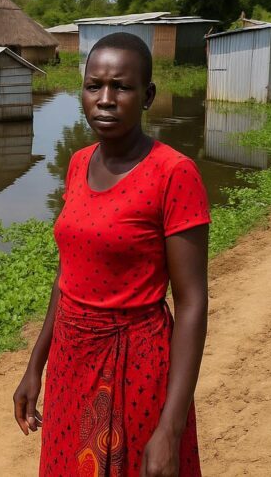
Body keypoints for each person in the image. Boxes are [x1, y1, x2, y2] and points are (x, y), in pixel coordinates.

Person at [13, 32, 210, 476]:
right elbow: (68, 275)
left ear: (147, 95)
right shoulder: (80, 162)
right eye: (93, 86)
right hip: (70, 360)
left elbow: (193, 302)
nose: (105, 99)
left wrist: (171, 429)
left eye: (121, 87)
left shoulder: (174, 173)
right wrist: (35, 366)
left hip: (136, 365)